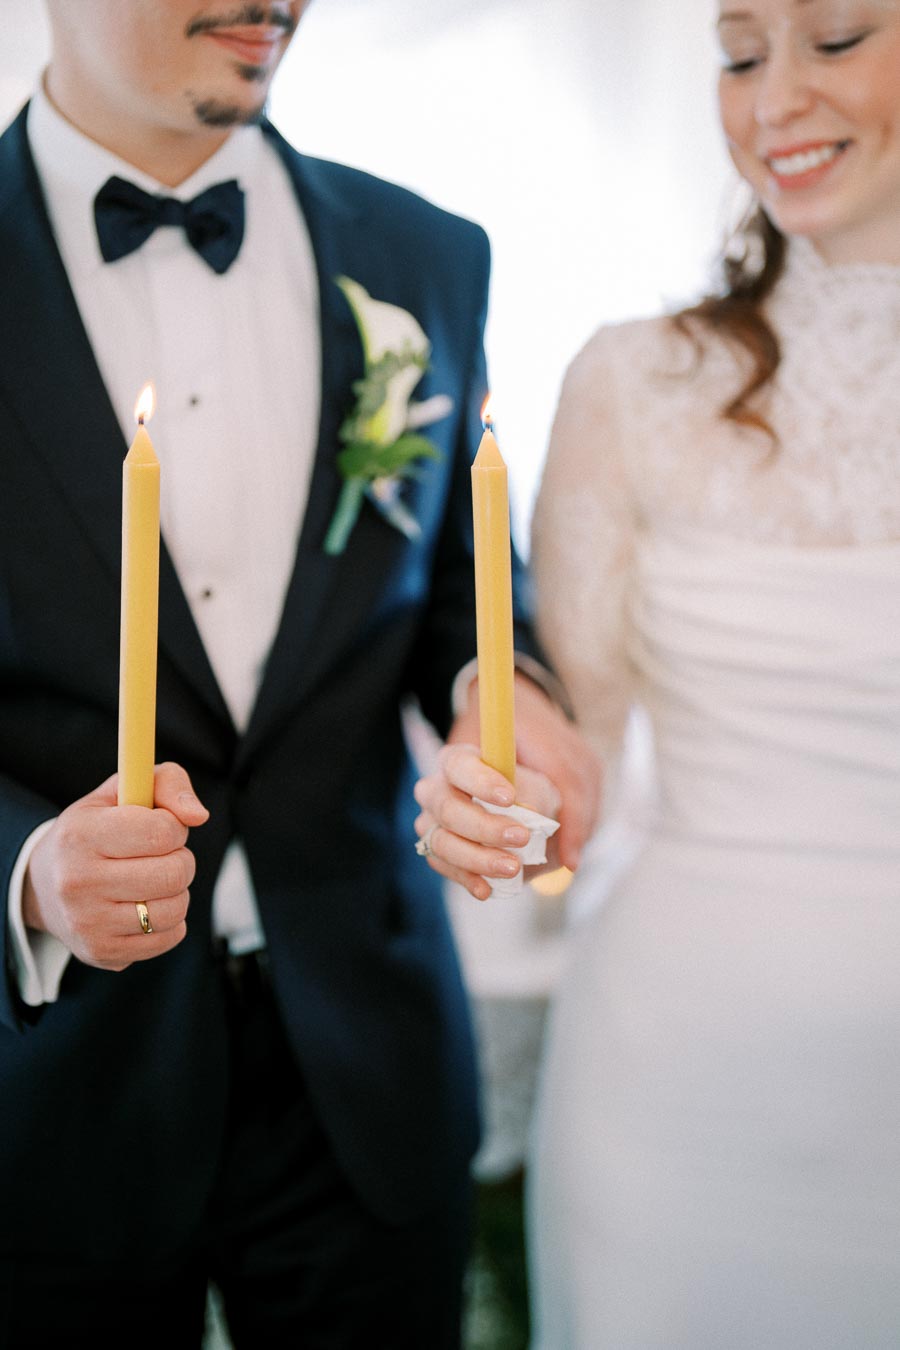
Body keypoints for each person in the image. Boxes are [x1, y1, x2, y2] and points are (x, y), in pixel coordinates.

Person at [0, 4, 600, 1346]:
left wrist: (512, 717)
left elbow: (466, 596)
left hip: (367, 1066)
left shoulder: (426, 256)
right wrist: (30, 880)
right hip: (50, 1083)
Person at [418, 0, 900, 1344]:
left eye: (838, 40)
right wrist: (504, 778)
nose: (773, 100)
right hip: (682, 1072)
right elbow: (562, 728)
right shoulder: (634, 382)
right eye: (740, 56)